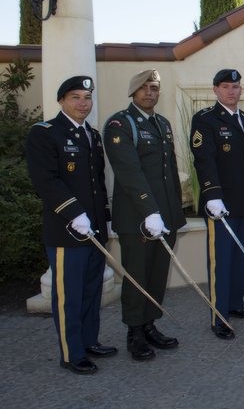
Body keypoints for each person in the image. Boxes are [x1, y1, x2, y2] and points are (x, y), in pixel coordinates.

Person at [26, 76, 115, 374]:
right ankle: (71, 352)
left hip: (94, 230)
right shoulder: (45, 133)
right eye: (75, 97)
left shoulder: (91, 135)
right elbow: (45, 180)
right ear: (62, 100)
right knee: (69, 295)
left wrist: (104, 220)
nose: (82, 103)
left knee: (91, 291)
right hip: (67, 230)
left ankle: (90, 341)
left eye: (87, 97)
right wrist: (74, 213)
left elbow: (97, 184)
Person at [104, 69, 186, 360]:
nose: (150, 92)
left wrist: (175, 211)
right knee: (138, 275)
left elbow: (169, 173)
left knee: (157, 273)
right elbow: (130, 173)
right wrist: (150, 212)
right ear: (133, 91)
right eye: (145, 88)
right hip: (138, 218)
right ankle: (134, 332)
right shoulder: (120, 124)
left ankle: (150, 325)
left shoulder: (161, 124)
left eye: (155, 88)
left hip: (165, 217)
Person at [190, 69, 244, 340]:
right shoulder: (205, 120)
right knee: (221, 262)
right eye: (226, 87)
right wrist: (212, 195)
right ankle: (219, 315)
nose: (231, 91)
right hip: (220, 205)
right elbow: (204, 159)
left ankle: (235, 305)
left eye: (235, 87)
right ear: (215, 90)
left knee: (240, 258)